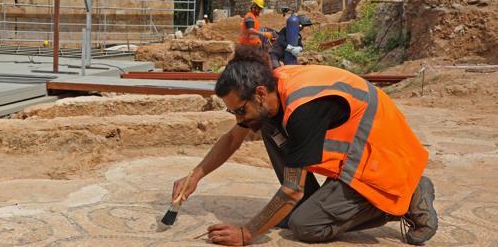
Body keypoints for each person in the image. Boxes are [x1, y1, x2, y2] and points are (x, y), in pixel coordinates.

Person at [171, 46, 437, 246]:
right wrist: (195, 175)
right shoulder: (272, 90)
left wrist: (247, 233)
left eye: (240, 110)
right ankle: (325, 201)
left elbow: (291, 191)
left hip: (382, 162)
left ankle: (407, 195)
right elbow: (232, 138)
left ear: (260, 93)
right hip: (357, 158)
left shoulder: (303, 108)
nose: (239, 119)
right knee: (262, 124)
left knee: (305, 225)